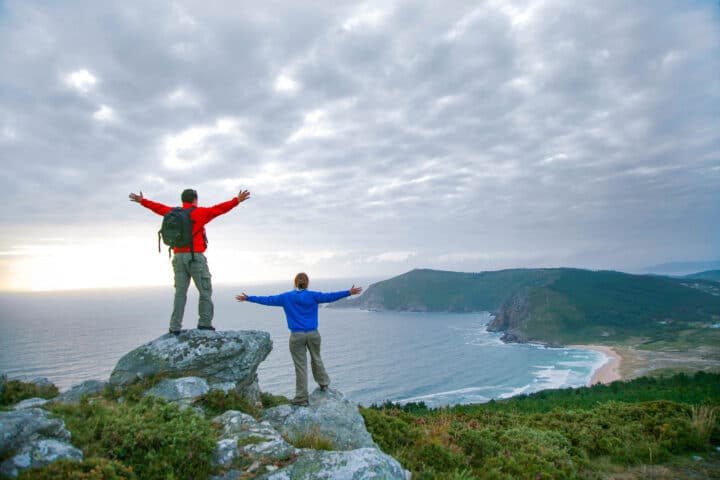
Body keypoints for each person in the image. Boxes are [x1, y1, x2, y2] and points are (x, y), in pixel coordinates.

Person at [129, 188, 251, 334]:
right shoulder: (199, 213)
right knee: (205, 291)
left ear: (183, 200)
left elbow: (158, 207)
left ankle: (174, 327)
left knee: (180, 293)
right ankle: (204, 323)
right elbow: (219, 209)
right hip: (195, 257)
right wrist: (236, 200)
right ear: (195, 200)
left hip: (177, 258)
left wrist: (142, 201)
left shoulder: (172, 212)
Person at [236, 273, 362, 406]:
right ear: (307, 283)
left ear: (295, 283)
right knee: (316, 358)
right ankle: (324, 383)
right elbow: (330, 296)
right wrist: (349, 292)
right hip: (313, 334)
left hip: (297, 335)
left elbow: (267, 300)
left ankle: (301, 398)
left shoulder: (286, 297)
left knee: (300, 366)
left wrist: (248, 298)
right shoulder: (313, 295)